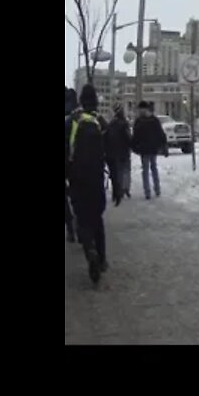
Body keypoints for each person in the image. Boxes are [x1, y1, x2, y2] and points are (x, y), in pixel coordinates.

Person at [66, 84, 109, 284]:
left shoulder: (70, 122)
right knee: (97, 217)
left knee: (82, 219)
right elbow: (113, 152)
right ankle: (102, 259)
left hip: (77, 178)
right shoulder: (100, 122)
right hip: (97, 177)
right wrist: (116, 183)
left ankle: (90, 249)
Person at [131, 101, 167, 200]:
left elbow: (135, 136)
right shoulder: (154, 120)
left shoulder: (140, 121)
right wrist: (163, 145)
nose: (139, 111)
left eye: (140, 109)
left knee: (146, 169)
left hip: (145, 149)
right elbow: (161, 133)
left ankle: (148, 192)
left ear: (143, 109)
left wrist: (134, 146)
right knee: (153, 168)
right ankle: (156, 190)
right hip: (152, 148)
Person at [105, 105, 133, 205]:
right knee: (125, 171)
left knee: (117, 173)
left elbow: (106, 138)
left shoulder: (111, 124)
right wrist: (131, 144)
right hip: (124, 152)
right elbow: (128, 138)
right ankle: (124, 189)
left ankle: (117, 191)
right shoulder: (124, 124)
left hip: (113, 153)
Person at [64, 87, 78, 243]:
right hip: (75, 160)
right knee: (76, 195)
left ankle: (70, 227)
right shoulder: (76, 117)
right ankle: (79, 226)